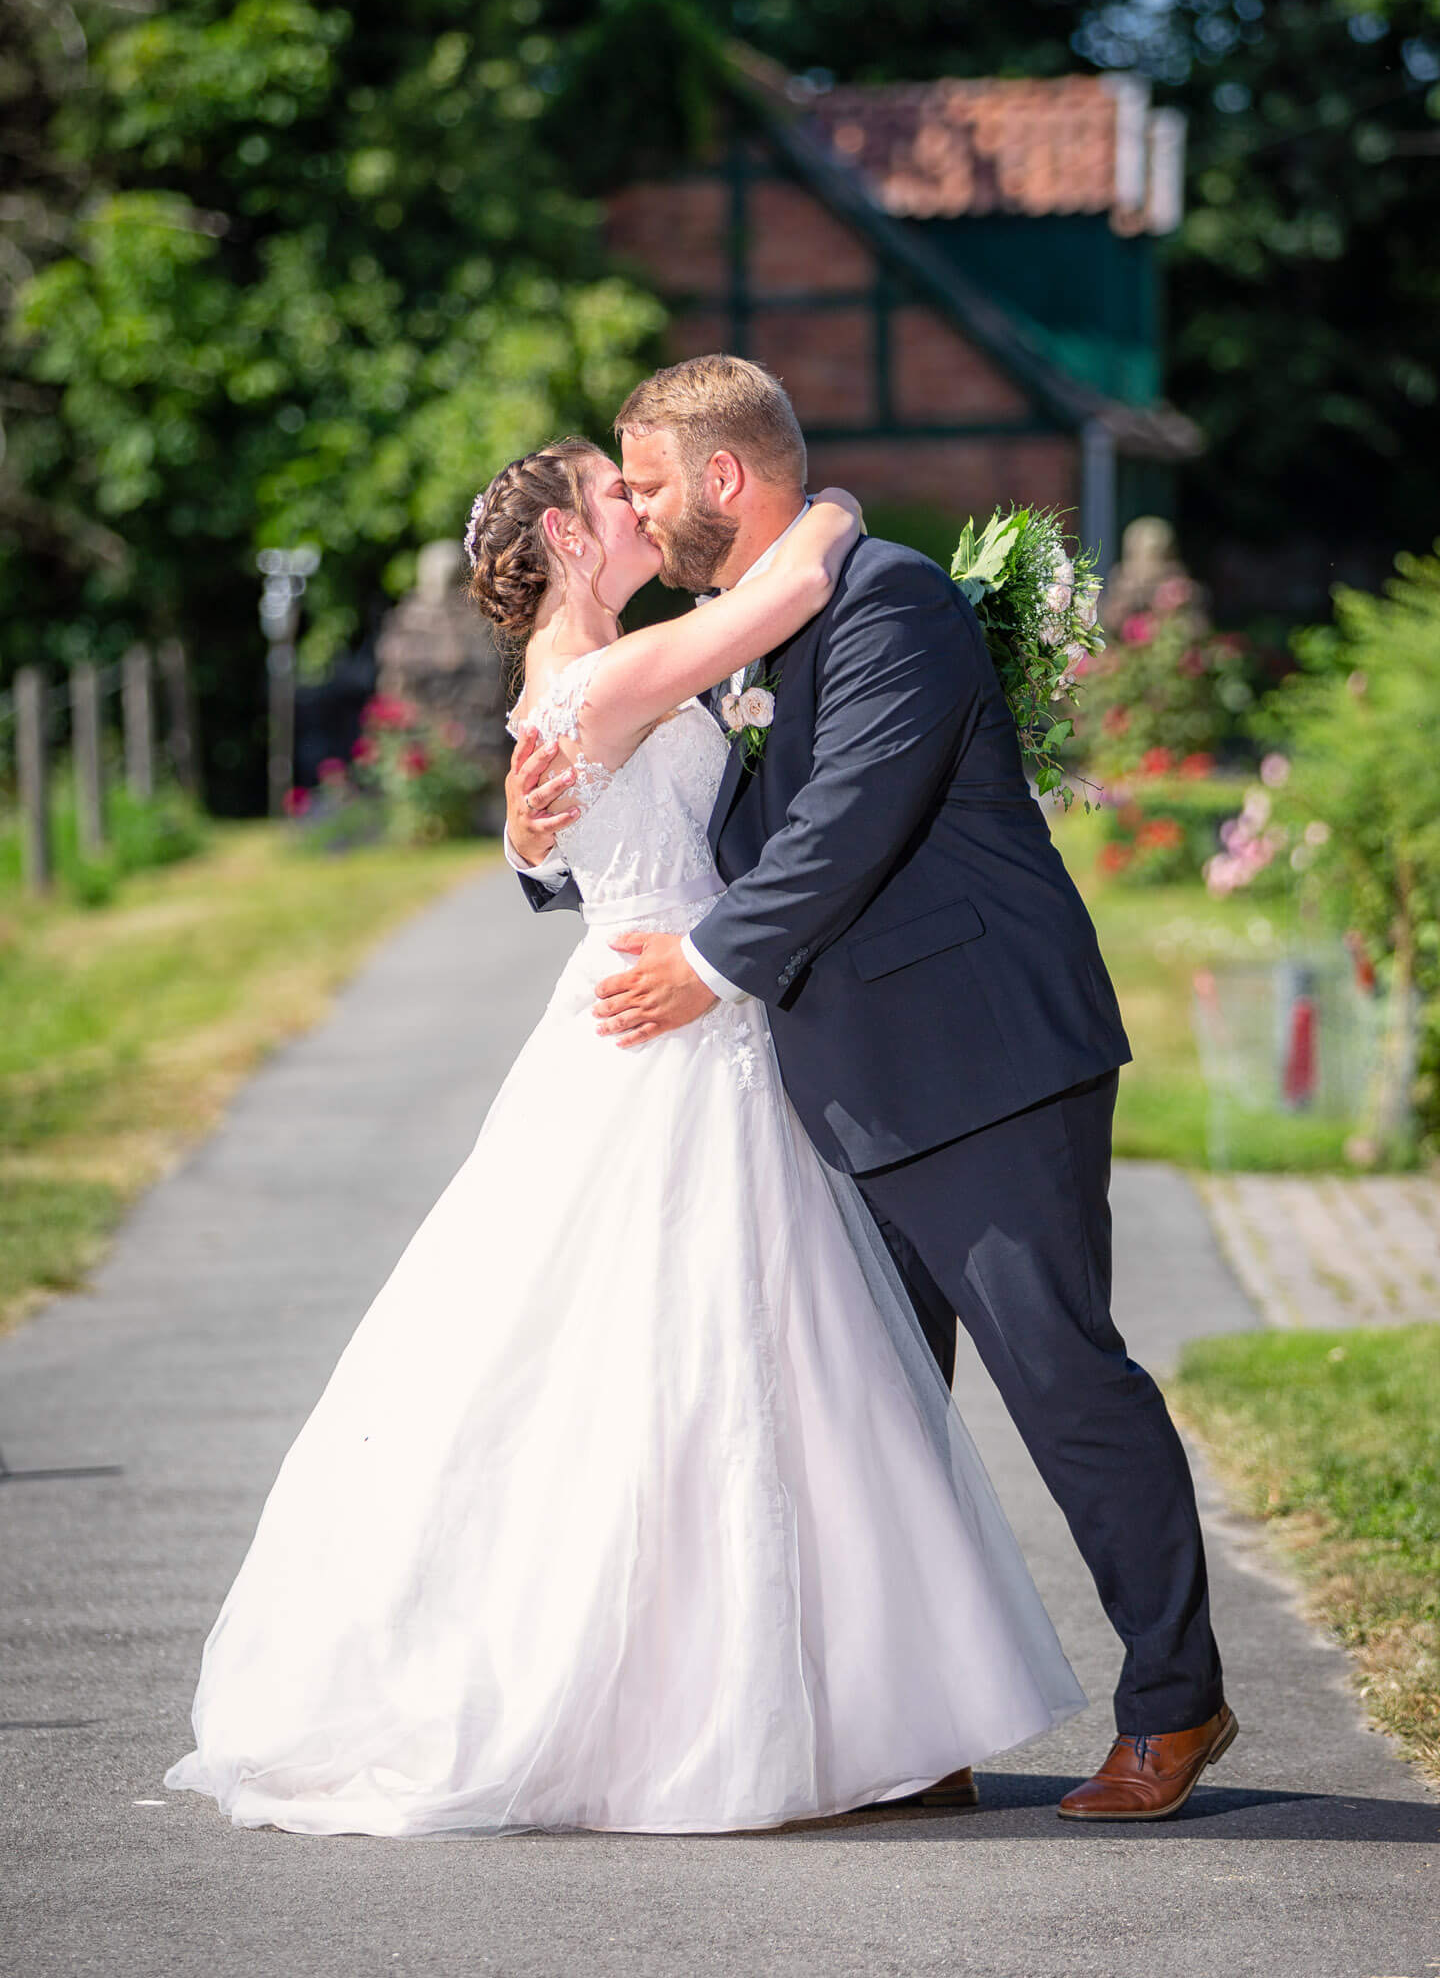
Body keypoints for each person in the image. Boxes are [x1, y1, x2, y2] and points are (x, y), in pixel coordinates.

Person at [164, 433, 1085, 1838]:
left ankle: (849, 1712)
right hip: (662, 1028)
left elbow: (613, 802)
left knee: (768, 1364)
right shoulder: (601, 672)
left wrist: (535, 841)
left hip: (689, 1016)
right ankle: (698, 1709)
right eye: (614, 492)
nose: (638, 504)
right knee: (694, 1360)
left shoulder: (599, 671)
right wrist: (828, 501)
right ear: (566, 542)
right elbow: (773, 609)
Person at [507, 355, 1237, 1826]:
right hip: (830, 1090)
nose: (639, 507)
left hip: (983, 1066)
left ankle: (1178, 1705)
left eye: (649, 481)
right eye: (620, 492)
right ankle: (910, 1739)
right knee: (866, 1429)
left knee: (1065, 1386)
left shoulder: (890, 599)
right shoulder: (751, 627)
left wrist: (708, 967)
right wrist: (539, 845)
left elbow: (847, 824)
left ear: (722, 479)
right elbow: (678, 812)